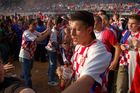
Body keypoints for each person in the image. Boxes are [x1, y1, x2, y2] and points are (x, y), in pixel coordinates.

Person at [57, 11, 112, 93]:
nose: (72, 34)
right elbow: (76, 66)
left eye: (77, 29)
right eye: (71, 29)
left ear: (89, 30)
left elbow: (86, 81)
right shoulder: (79, 45)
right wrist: (65, 69)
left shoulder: (99, 50)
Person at [19, 19, 51, 88]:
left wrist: (47, 29)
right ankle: (29, 89)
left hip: (30, 55)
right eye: (33, 24)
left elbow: (41, 34)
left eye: (36, 24)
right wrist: (48, 33)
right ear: (29, 25)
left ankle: (22, 75)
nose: (35, 25)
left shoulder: (33, 31)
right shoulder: (27, 33)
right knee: (28, 75)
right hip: (24, 56)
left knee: (29, 69)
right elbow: (39, 39)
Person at [116, 14, 140, 93]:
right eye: (129, 23)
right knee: (120, 88)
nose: (130, 25)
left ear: (138, 24)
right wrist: (121, 46)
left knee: (132, 88)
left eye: (133, 23)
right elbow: (119, 44)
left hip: (135, 65)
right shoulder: (125, 33)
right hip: (123, 62)